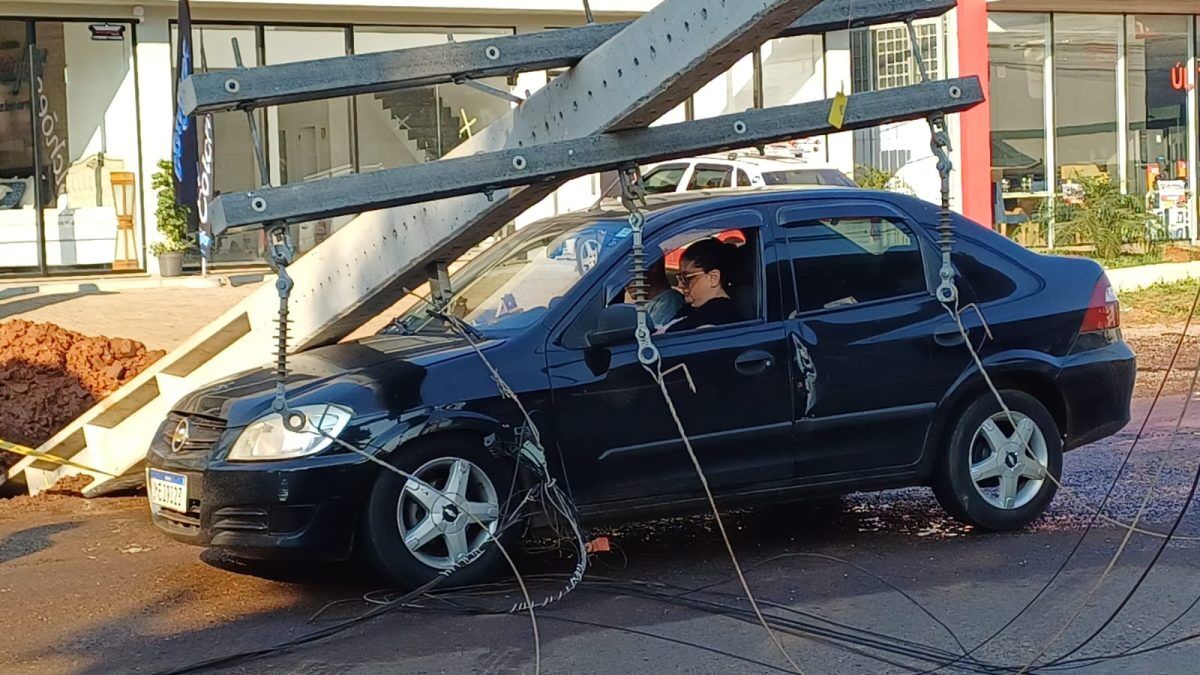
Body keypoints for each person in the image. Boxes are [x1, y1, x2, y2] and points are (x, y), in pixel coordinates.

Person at [662, 238, 742, 333]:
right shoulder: (693, 308)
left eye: (687, 278)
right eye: (680, 277)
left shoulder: (719, 317)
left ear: (713, 278)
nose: (680, 285)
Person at [626, 258, 687, 331]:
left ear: (653, 266)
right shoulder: (642, 304)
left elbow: (648, 337)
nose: (625, 281)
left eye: (632, 271)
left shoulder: (669, 301)